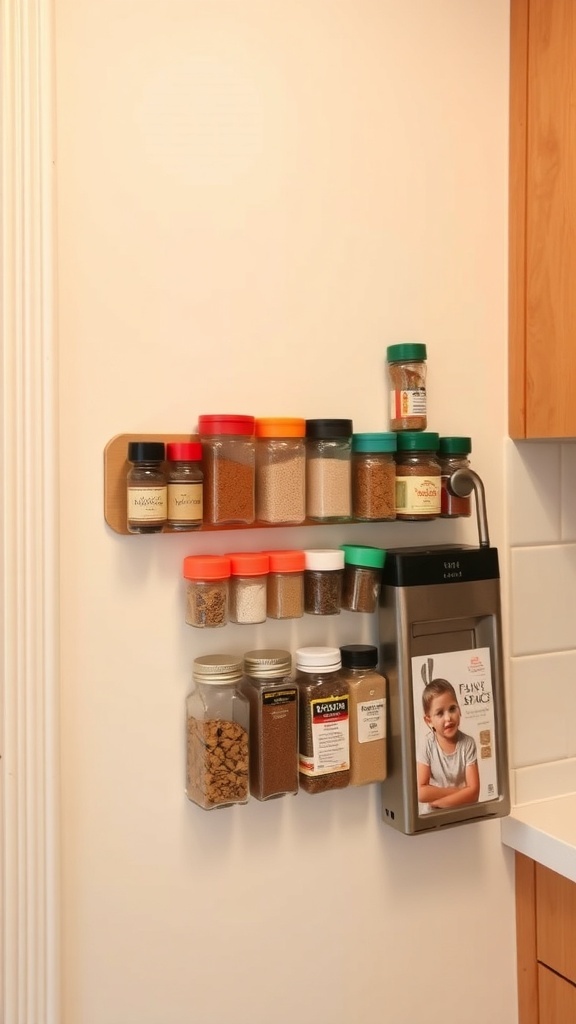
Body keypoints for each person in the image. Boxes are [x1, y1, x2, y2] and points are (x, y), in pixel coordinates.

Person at [416, 678, 480, 811]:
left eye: (452, 709)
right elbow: (421, 792)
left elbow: (473, 793)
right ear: (429, 721)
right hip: (433, 818)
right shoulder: (427, 745)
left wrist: (438, 802)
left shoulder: (467, 744)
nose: (448, 718)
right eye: (439, 713)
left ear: (460, 710)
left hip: (461, 814)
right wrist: (459, 792)